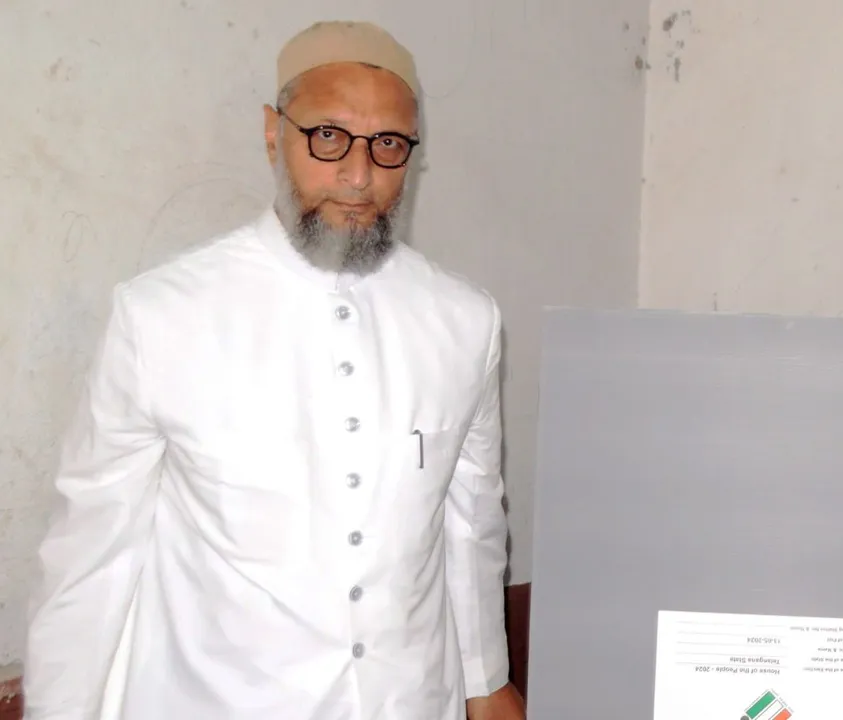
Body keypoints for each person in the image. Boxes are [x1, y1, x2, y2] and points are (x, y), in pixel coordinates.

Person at [23, 20, 525, 720]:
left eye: (388, 145)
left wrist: (487, 683)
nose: (358, 175)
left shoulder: (465, 320)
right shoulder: (161, 316)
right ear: (273, 133)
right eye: (327, 137)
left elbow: (470, 526)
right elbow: (89, 563)